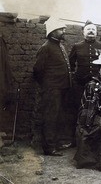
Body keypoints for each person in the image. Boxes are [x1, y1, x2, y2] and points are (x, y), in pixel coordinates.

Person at [33, 17, 72, 156]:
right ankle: (49, 148)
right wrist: (48, 85)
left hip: (61, 88)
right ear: (53, 32)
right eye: (61, 29)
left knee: (58, 117)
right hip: (51, 89)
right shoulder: (46, 47)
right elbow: (37, 70)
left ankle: (55, 143)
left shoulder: (60, 45)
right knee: (50, 117)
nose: (64, 31)